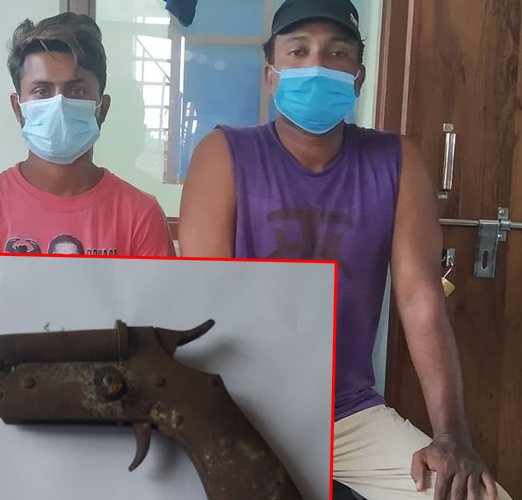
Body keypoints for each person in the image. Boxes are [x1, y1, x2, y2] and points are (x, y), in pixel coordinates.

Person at [178, 0, 513, 499]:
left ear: (358, 77)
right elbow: (207, 299)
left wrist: (451, 436)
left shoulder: (397, 160)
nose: (317, 65)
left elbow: (420, 298)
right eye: (298, 51)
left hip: (348, 414)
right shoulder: (224, 154)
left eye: (337, 53)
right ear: (270, 74)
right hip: (239, 406)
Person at [0, 13, 175, 257]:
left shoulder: (140, 216)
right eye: (42, 91)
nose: (59, 104)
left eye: (76, 91)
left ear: (103, 108)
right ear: (18, 108)